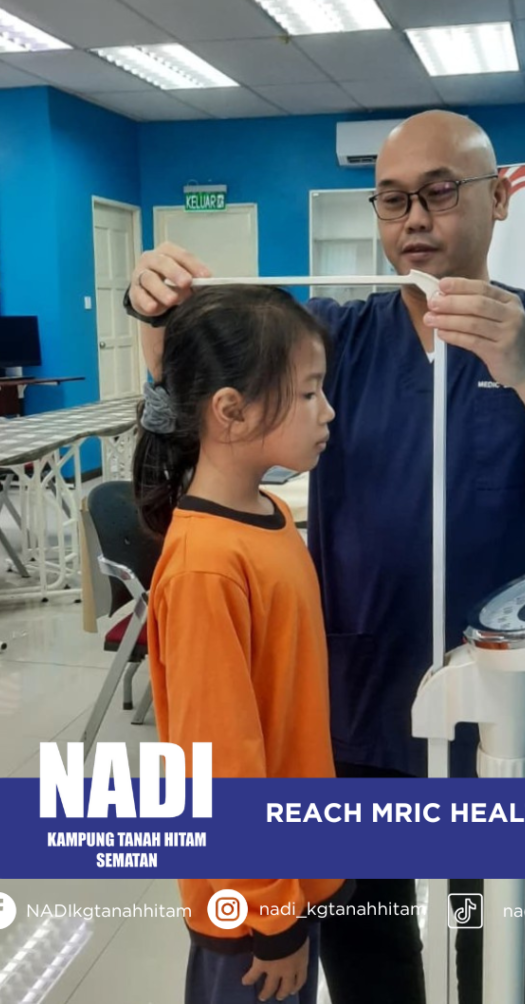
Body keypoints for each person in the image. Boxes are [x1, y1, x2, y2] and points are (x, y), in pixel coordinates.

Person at [126, 111, 525, 1004]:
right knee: (367, 943)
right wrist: (155, 315)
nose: (416, 220)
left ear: (499, 197)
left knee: (496, 940)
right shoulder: (338, 335)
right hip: (361, 704)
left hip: (501, 713)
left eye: (440, 192)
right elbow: (204, 403)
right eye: (393, 199)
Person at [135, 285, 350, 1004]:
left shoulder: (270, 514)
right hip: (251, 906)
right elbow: (219, 766)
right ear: (231, 411)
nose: (328, 411)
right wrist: (271, 913)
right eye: (310, 393)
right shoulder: (205, 567)